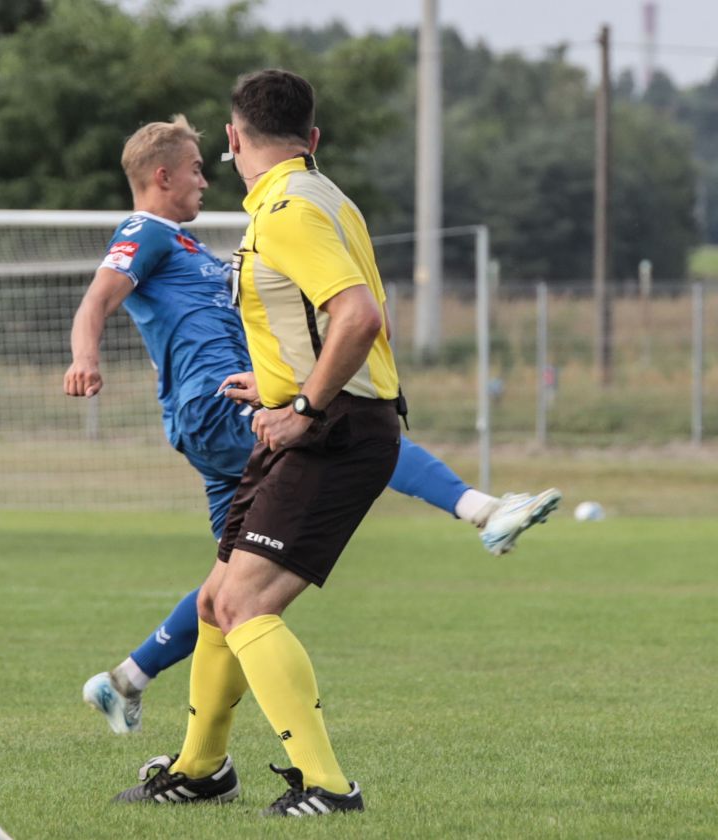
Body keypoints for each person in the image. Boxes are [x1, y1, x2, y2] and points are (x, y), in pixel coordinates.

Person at [65, 113, 561, 738]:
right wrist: (85, 357)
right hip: (212, 407)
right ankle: (485, 511)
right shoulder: (145, 231)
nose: (206, 181)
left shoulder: (190, 247)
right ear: (162, 176)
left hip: (226, 406)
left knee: (232, 585)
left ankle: (126, 680)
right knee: (347, 433)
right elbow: (97, 299)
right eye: (195, 169)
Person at [101, 68, 498, 815]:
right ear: (312, 137)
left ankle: (328, 787)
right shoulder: (324, 198)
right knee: (217, 600)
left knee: (245, 604)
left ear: (232, 138)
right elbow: (347, 319)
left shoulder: (287, 211)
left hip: (332, 431)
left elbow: (359, 318)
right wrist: (281, 382)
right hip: (315, 420)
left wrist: (306, 404)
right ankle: (201, 770)